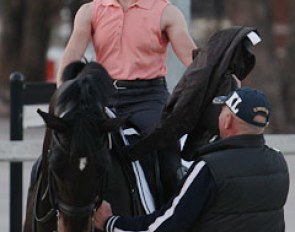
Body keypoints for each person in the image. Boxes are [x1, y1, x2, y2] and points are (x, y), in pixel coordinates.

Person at [56, 0, 197, 206]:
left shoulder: (166, 12)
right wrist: (63, 95)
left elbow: (192, 60)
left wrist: (220, 74)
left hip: (148, 97)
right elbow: (71, 55)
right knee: (62, 149)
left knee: (169, 156)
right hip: (102, 96)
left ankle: (177, 216)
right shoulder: (91, 10)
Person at [94, 87, 290, 232]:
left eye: (222, 110)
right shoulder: (279, 162)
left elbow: (168, 225)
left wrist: (111, 223)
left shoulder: (210, 167)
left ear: (228, 120)